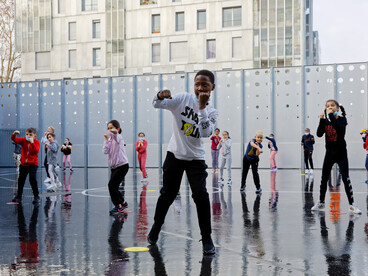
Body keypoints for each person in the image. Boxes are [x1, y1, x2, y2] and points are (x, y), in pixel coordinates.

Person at [147, 69, 218, 255]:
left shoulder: (211, 111)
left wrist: (201, 109)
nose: (200, 88)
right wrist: (160, 95)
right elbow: (156, 104)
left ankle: (207, 237)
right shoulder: (182, 99)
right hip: (175, 155)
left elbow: (205, 133)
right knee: (168, 195)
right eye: (197, 84)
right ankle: (156, 226)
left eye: (205, 84)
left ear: (212, 87)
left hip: (196, 158)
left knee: (201, 197)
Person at [311, 99, 361, 214]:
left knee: (345, 178)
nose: (330, 107)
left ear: (337, 108)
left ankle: (352, 204)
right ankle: (321, 202)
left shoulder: (342, 120)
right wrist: (322, 120)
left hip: (341, 154)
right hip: (329, 154)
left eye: (332, 106)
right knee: (324, 178)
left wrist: (330, 116)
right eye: (328, 106)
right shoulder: (326, 121)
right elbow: (319, 134)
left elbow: (340, 130)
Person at [103, 120, 129, 215]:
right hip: (114, 167)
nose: (109, 130)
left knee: (111, 185)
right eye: (108, 128)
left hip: (122, 166)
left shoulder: (119, 138)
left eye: (111, 128)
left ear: (117, 129)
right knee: (115, 186)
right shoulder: (109, 140)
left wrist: (115, 132)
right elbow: (105, 151)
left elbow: (116, 136)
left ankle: (118, 206)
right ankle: (123, 202)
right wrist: (106, 140)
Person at [11, 128, 40, 204]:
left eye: (31, 135)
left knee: (32, 179)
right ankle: (19, 196)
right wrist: (14, 134)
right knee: (21, 180)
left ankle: (36, 196)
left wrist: (32, 143)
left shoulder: (36, 142)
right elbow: (15, 139)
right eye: (27, 134)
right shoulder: (23, 140)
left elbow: (35, 151)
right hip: (24, 164)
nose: (28, 136)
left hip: (33, 164)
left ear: (34, 136)